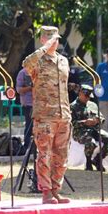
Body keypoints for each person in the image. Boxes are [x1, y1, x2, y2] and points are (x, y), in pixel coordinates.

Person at [22, 25, 71, 204]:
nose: (53, 42)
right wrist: (43, 49)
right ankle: (46, 192)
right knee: (45, 155)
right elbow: (26, 64)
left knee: (62, 155)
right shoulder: (37, 61)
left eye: (56, 39)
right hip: (45, 116)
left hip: (63, 115)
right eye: (49, 38)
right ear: (42, 39)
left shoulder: (63, 61)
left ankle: (56, 189)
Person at [71, 84, 108, 171]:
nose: (87, 98)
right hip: (80, 131)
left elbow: (102, 117)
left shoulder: (92, 105)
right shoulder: (73, 106)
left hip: (94, 129)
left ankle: (98, 159)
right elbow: (71, 123)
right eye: (86, 96)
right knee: (90, 141)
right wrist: (85, 122)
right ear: (80, 93)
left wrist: (98, 120)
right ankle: (88, 162)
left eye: (89, 97)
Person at [16, 67, 33, 152]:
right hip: (28, 103)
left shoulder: (39, 71)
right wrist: (30, 88)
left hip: (40, 103)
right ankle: (27, 147)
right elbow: (19, 90)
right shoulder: (23, 73)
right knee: (29, 125)